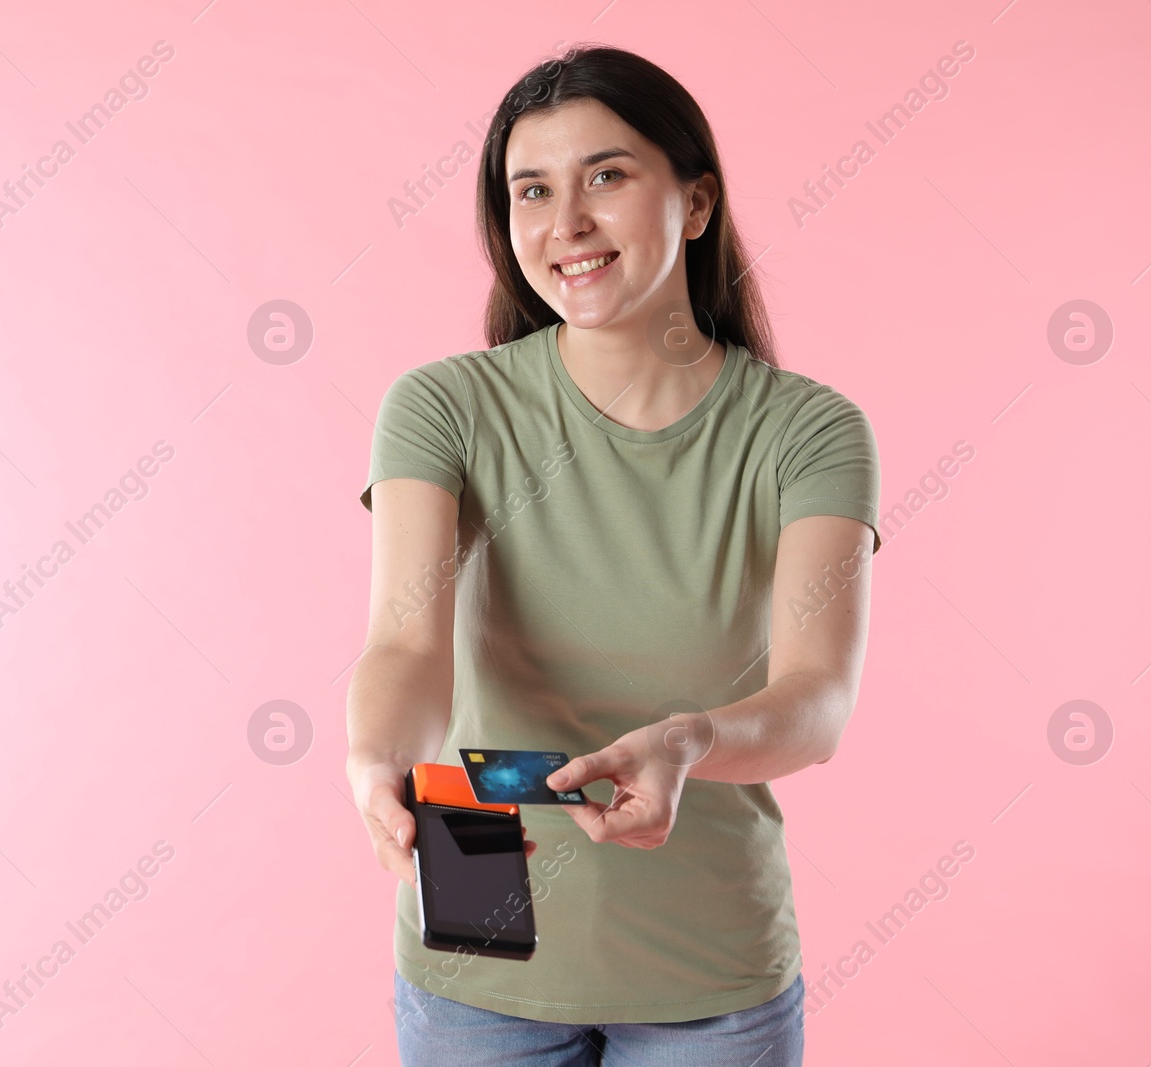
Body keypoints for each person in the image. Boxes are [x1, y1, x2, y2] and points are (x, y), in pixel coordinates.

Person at [345, 43, 882, 1067]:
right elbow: (406, 643)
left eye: (606, 176)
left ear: (695, 203)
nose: (566, 224)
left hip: (707, 965)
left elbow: (816, 697)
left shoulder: (808, 431)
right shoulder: (443, 406)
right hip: (476, 940)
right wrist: (375, 759)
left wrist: (686, 741)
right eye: (530, 190)